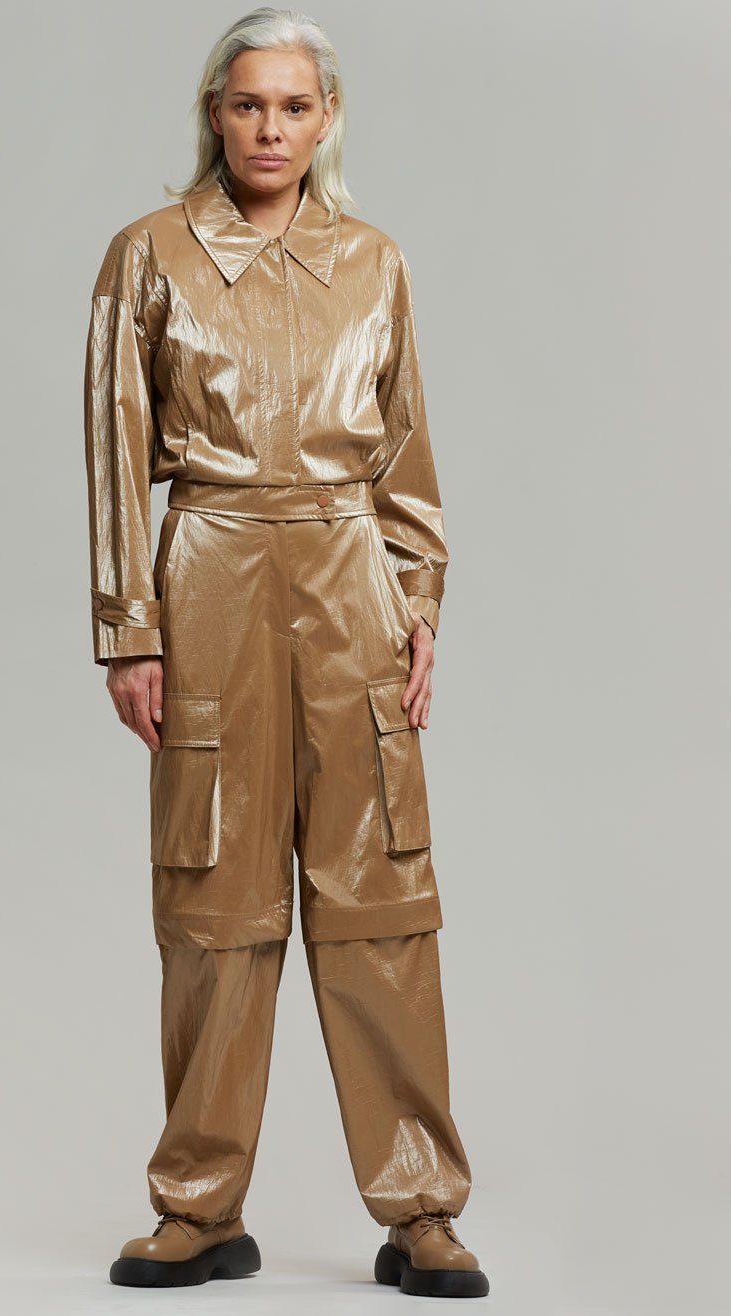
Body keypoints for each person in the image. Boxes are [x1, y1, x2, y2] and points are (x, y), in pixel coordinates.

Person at [83, 8, 489, 1299]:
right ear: (214, 112)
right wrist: (128, 632)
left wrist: (419, 606)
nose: (270, 129)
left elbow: (405, 454)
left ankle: (422, 1210)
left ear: (327, 120)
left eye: (295, 107)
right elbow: (114, 456)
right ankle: (199, 1208)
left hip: (348, 579)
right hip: (207, 578)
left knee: (382, 899)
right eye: (248, 104)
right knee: (213, 903)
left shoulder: (373, 262)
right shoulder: (149, 255)